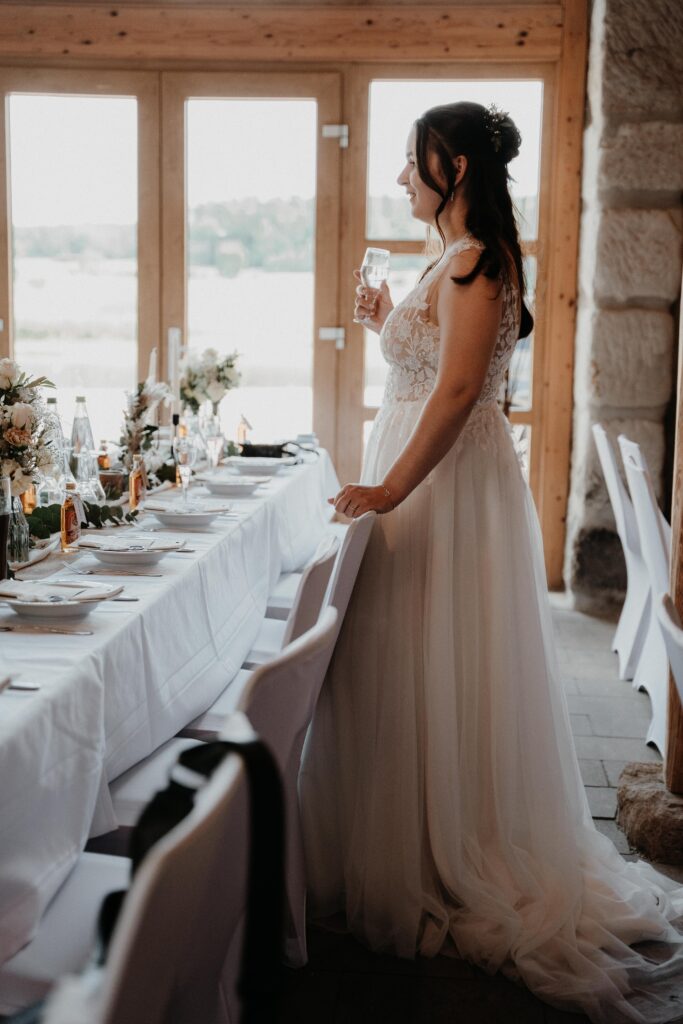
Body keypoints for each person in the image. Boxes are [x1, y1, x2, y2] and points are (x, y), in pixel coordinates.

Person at [299, 101, 683, 1024]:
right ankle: (408, 837)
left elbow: (463, 389)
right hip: (430, 475)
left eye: (410, 161)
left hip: (443, 491)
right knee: (404, 658)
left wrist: (389, 488)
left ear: (455, 166)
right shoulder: (452, 260)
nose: (399, 176)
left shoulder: (476, 261)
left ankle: (443, 850)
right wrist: (391, 317)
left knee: (430, 654)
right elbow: (434, 367)